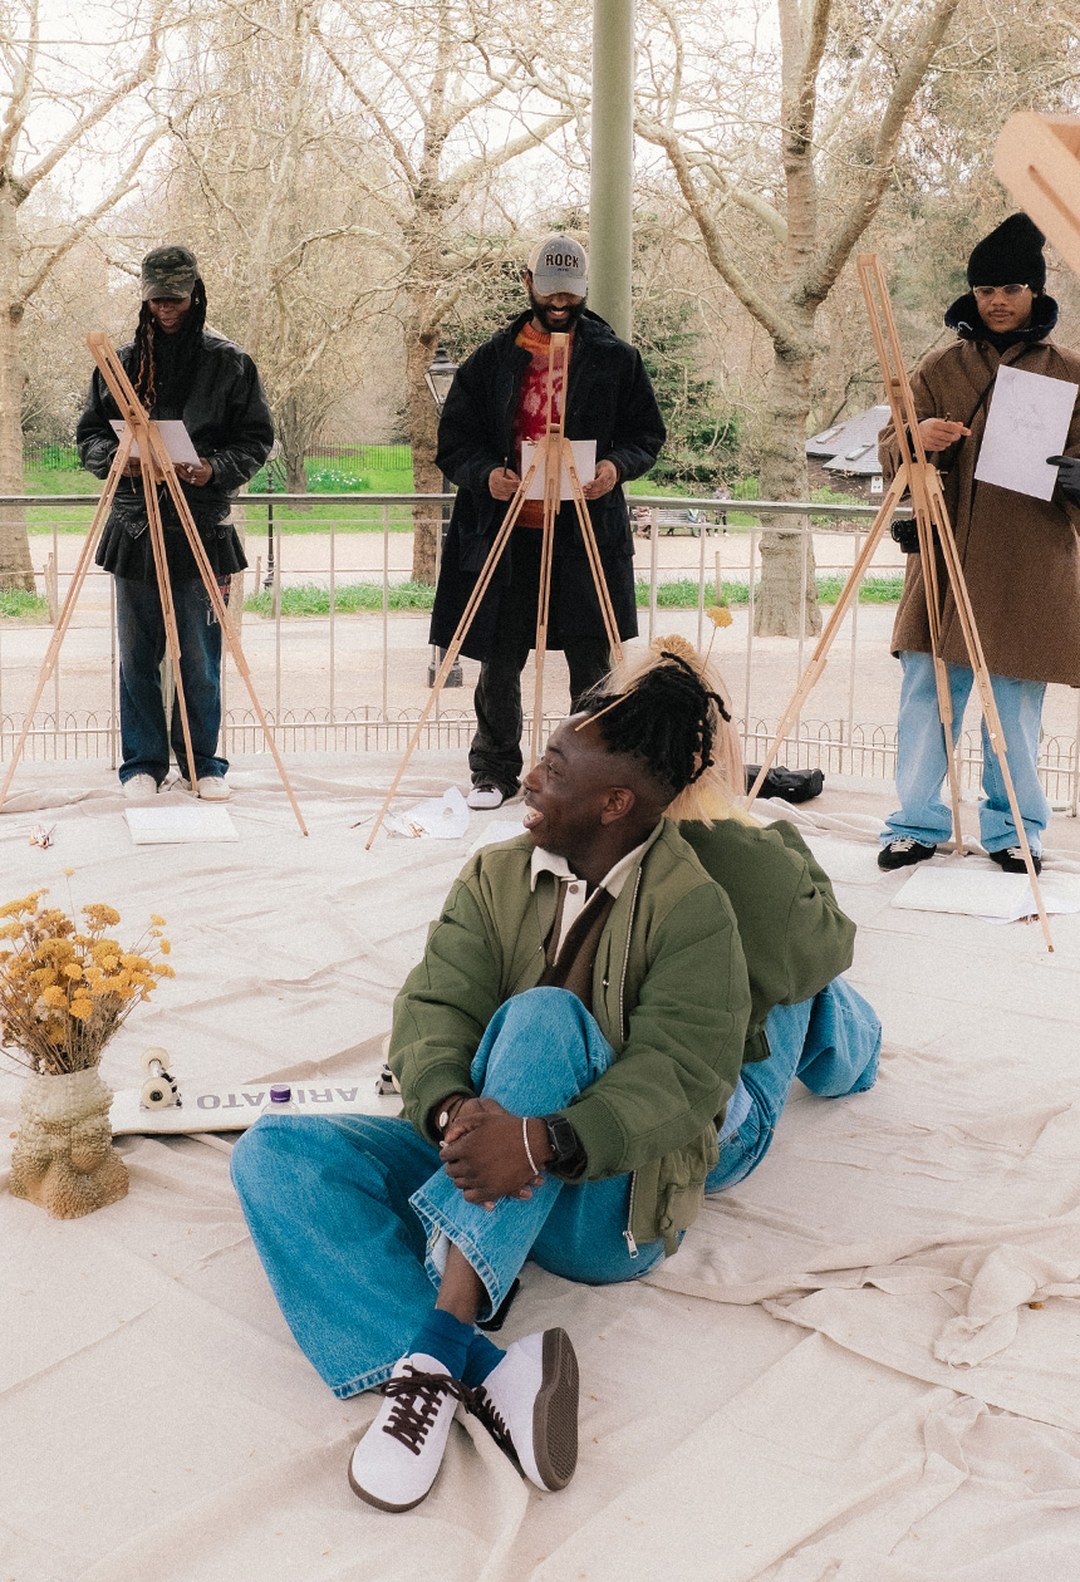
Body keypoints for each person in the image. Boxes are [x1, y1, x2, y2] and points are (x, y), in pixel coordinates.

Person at [231, 638, 881, 1513]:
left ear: (617, 800)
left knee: (570, 1013)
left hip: (607, 1207)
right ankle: (481, 1375)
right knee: (276, 1153)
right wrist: (454, 1114)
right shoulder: (496, 873)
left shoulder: (697, 905)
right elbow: (433, 1010)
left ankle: (442, 1338)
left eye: (553, 763)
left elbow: (681, 1076)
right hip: (492, 1164)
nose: (526, 777)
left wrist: (545, 1140)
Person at [429, 233, 666, 810]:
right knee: (499, 657)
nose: (559, 302)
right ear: (529, 284)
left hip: (585, 535)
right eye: (550, 290)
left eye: (571, 292)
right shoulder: (490, 359)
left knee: (592, 660)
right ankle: (494, 769)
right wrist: (486, 475)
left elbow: (647, 436)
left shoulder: (616, 358)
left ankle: (586, 772)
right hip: (508, 535)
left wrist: (614, 466)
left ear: (582, 291)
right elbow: (454, 442)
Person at [877, 213, 1080, 874]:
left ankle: (1016, 829)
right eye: (986, 288)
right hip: (943, 562)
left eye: (1012, 287)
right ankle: (914, 822)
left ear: (1034, 293)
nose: (997, 299)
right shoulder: (939, 367)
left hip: (1028, 564)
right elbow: (888, 448)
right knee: (925, 697)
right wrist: (915, 441)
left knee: (1014, 710)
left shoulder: (1071, 372)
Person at [76, 245, 273, 801]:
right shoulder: (118, 364)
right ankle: (141, 762)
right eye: (157, 298)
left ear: (195, 294)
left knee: (199, 655)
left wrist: (212, 468)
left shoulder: (230, 363)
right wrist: (113, 459)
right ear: (144, 297)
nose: (167, 308)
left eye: (176, 297)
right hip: (136, 526)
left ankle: (203, 762)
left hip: (201, 525)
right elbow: (89, 433)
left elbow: (256, 438)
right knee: (138, 655)